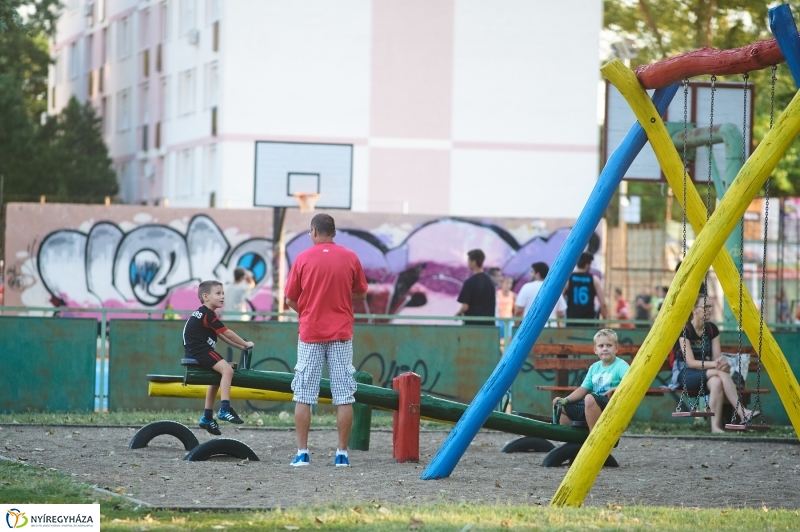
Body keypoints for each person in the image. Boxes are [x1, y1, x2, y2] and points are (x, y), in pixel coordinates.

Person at [284, 213, 368, 467]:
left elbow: (290, 299)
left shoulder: (302, 258)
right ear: (334, 232)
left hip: (310, 334)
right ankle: (342, 454)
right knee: (344, 394)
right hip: (341, 333)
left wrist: (309, 311)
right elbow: (361, 294)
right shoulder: (350, 257)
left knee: (303, 394)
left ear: (314, 231)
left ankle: (302, 453)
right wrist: (340, 299)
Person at [674, 295, 760, 433]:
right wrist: (717, 365)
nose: (709, 310)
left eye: (710, 307)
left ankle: (715, 427)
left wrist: (722, 364)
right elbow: (690, 363)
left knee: (716, 382)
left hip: (705, 373)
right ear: (694, 309)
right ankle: (742, 411)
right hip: (685, 374)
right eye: (705, 307)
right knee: (719, 373)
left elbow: (717, 358)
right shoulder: (686, 331)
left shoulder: (712, 329)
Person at [183, 280, 254, 435]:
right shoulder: (207, 314)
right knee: (228, 371)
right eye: (218, 293)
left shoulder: (206, 313)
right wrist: (245, 342)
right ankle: (225, 408)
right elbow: (227, 332)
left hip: (196, 350)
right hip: (200, 350)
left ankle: (207, 417)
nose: (222, 296)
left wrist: (241, 347)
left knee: (217, 378)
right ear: (206, 296)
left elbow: (220, 335)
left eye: (223, 293)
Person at [552, 328, 628, 431]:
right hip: (592, 406)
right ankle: (577, 437)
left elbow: (631, 382)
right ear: (595, 350)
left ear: (616, 349)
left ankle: (595, 437)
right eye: (601, 346)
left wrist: (616, 388)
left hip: (610, 406)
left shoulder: (621, 366)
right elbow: (583, 389)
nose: (605, 348)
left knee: (589, 398)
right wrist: (565, 400)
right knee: (560, 406)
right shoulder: (594, 367)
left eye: (609, 345)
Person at [514, 262, 566, 327]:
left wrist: (515, 327)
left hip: (530, 329)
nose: (530, 274)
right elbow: (561, 313)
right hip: (551, 329)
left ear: (538, 274)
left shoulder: (526, 287)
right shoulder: (554, 288)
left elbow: (519, 311)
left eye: (532, 272)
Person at [456, 249, 496, 326]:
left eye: (468, 260)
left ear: (473, 262)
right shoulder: (490, 281)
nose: (467, 263)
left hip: (473, 326)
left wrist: (458, 314)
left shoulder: (469, 282)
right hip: (489, 326)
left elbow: (465, 307)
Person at [563, 252, 607, 323]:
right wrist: (604, 320)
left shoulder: (568, 279)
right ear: (587, 265)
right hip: (588, 322)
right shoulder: (594, 280)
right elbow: (603, 304)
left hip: (571, 322)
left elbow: (560, 299)